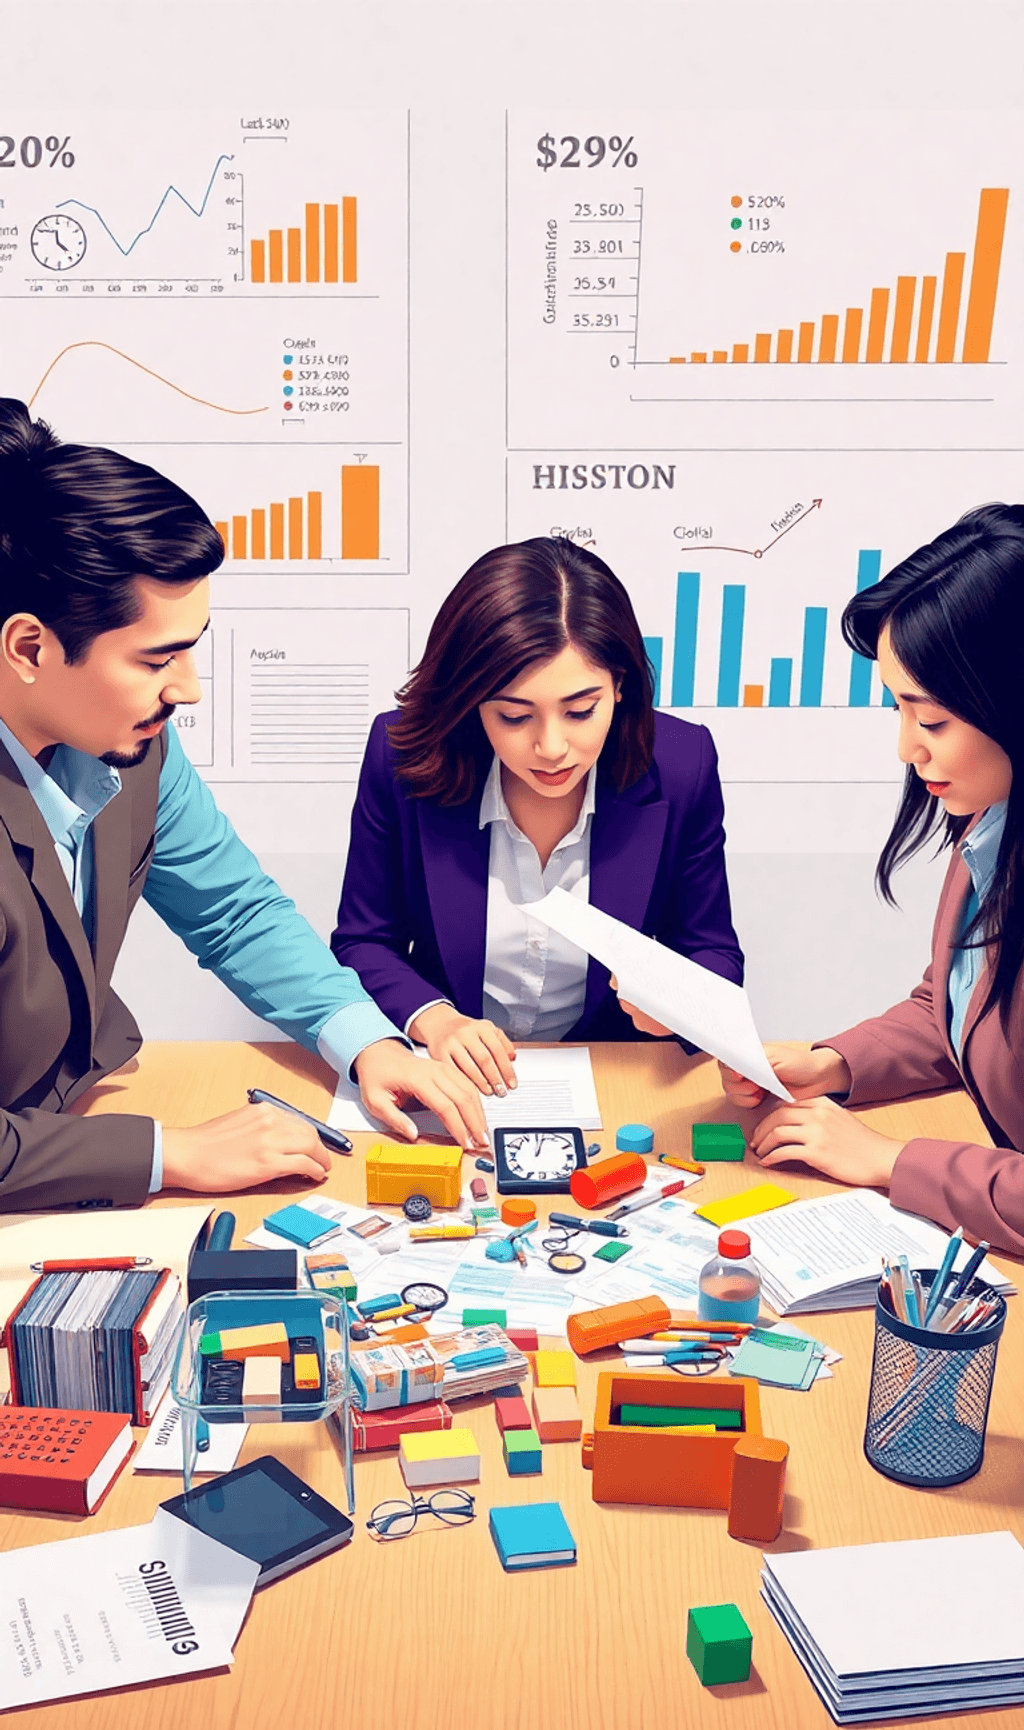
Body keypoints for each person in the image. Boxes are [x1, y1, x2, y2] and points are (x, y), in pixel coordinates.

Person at [0, 400, 487, 1213]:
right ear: (29, 648)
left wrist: (365, 1041)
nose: (187, 690)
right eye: (158, 658)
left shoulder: (130, 742)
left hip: (65, 1116)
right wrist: (173, 1152)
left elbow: (231, 907)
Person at [331, 536, 743, 1096]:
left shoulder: (681, 764)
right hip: (446, 1079)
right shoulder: (402, 752)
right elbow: (362, 942)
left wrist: (681, 1007)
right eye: (513, 715)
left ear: (619, 685)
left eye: (580, 711)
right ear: (471, 701)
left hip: (615, 1083)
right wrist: (436, 1019)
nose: (551, 747)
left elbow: (712, 951)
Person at [722, 502, 1024, 1255]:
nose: (905, 749)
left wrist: (889, 1160)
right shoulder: (995, 827)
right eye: (899, 709)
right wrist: (835, 1063)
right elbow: (959, 1006)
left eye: (931, 720)